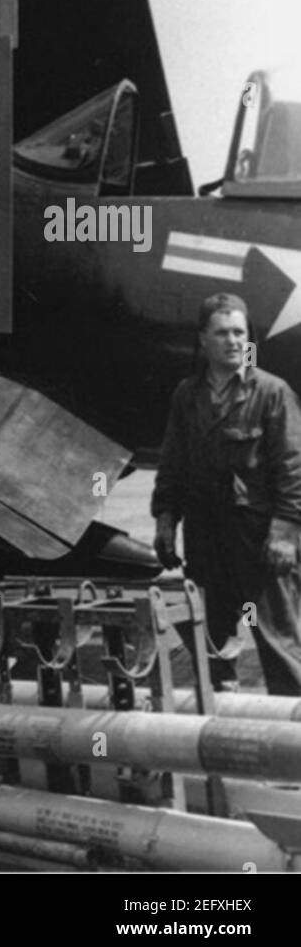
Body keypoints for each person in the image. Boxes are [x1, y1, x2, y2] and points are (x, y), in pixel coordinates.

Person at [152, 291, 301, 695]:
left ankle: (293, 735)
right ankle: (222, 730)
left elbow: (293, 468)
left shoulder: (272, 393)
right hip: (205, 536)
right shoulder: (187, 395)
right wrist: (166, 518)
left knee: (280, 640)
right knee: (213, 640)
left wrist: (287, 529)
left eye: (240, 332)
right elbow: (173, 464)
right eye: (222, 333)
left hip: (260, 537)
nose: (234, 341)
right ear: (203, 339)